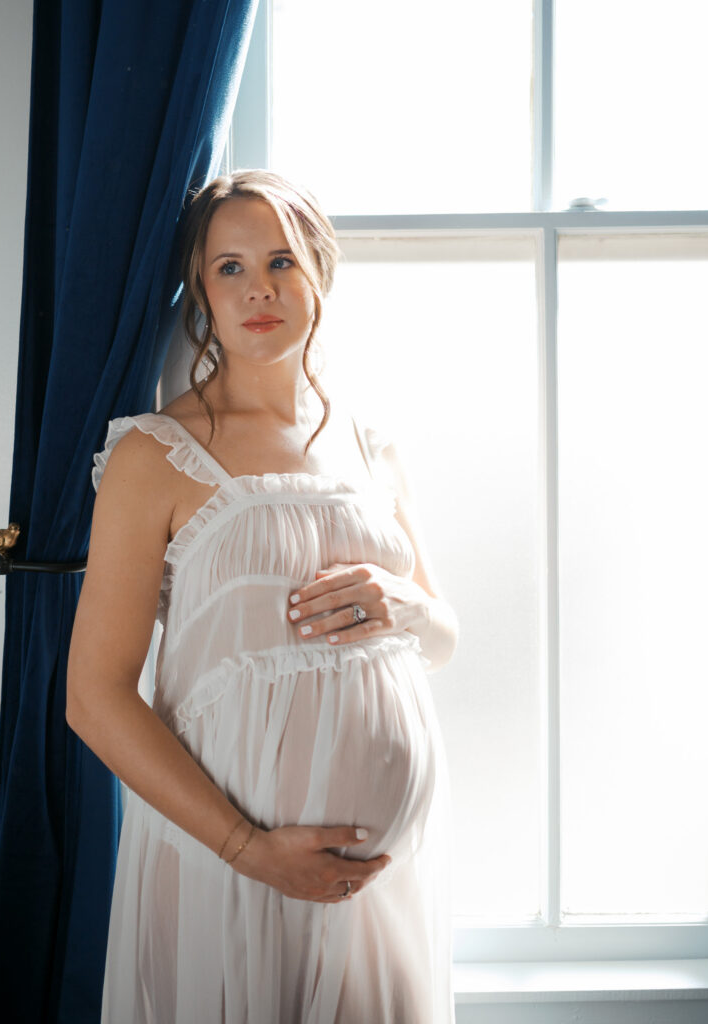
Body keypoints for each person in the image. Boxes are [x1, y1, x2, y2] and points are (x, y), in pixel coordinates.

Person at [67, 169, 460, 1023]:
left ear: (318, 270)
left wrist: (404, 604)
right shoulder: (156, 455)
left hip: (382, 886)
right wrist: (252, 850)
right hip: (228, 865)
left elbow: (441, 637)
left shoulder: (369, 444)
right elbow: (94, 700)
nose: (259, 290)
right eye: (229, 268)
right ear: (200, 295)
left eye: (280, 261)